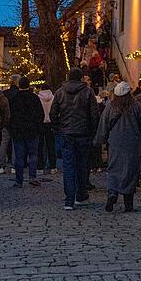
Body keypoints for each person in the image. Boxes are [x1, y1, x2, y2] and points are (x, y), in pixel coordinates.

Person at [95, 81, 141, 212]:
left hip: (115, 141)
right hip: (132, 141)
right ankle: (128, 203)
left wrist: (101, 139)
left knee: (114, 167)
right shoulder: (136, 106)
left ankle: (112, 192)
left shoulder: (111, 106)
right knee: (130, 170)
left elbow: (104, 123)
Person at [51, 67, 100, 210]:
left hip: (66, 133)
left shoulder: (60, 92)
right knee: (82, 165)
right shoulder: (88, 92)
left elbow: (53, 113)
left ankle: (69, 200)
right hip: (83, 133)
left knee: (68, 166)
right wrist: (92, 131)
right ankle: (80, 194)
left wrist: (58, 127)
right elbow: (94, 114)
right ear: (81, 78)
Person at [9, 76, 45, 188]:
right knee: (33, 155)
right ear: (29, 85)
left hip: (18, 131)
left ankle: (19, 180)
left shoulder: (14, 98)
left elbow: (9, 116)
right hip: (32, 131)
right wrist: (38, 128)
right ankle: (32, 177)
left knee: (19, 156)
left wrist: (12, 129)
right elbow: (41, 114)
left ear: (19, 85)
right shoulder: (34, 98)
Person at [0, 74, 22, 174]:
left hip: (5, 122)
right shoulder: (19, 94)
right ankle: (13, 166)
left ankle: (1, 165)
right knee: (14, 144)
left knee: (4, 143)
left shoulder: (4, 94)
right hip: (16, 122)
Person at [38, 83, 57, 175]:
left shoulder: (38, 98)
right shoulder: (53, 98)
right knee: (51, 146)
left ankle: (40, 167)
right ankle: (53, 166)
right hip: (50, 124)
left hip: (41, 124)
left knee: (40, 146)